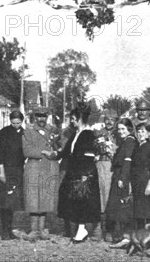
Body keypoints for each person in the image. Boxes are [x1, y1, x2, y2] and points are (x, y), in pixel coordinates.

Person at [57, 103, 101, 242]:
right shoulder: (76, 134)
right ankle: (78, 229)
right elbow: (66, 151)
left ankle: (82, 230)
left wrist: (84, 175)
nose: (71, 121)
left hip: (83, 173)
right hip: (73, 172)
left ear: (79, 119)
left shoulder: (87, 135)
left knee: (83, 200)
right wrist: (54, 154)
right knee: (72, 200)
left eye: (73, 118)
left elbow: (89, 156)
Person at [19, 108, 59, 240]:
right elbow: (27, 150)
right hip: (34, 167)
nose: (41, 119)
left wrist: (54, 153)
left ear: (47, 117)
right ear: (35, 117)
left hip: (48, 167)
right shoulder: (29, 131)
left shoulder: (53, 131)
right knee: (33, 198)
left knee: (45, 198)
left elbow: (58, 147)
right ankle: (33, 229)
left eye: (44, 116)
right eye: (39, 116)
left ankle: (41, 229)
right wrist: (44, 152)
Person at [106, 118, 137, 247]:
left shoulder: (130, 141)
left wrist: (123, 179)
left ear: (129, 129)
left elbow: (128, 161)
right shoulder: (125, 141)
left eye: (123, 129)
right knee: (117, 206)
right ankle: (120, 235)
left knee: (122, 206)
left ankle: (125, 236)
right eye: (119, 129)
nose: (120, 131)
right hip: (119, 174)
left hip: (122, 176)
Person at [0, 110, 25, 240]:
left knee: (12, 201)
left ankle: (10, 229)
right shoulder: (4, 132)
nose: (15, 125)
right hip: (6, 169)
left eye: (18, 123)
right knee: (5, 201)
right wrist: (1, 171)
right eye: (13, 123)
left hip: (18, 170)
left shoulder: (24, 133)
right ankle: (4, 230)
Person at [94, 110, 118, 241]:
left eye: (112, 120)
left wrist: (113, 150)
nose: (109, 122)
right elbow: (93, 148)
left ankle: (109, 230)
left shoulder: (118, 134)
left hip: (112, 167)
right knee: (99, 196)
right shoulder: (98, 133)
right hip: (99, 165)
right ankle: (98, 228)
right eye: (107, 119)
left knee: (110, 198)